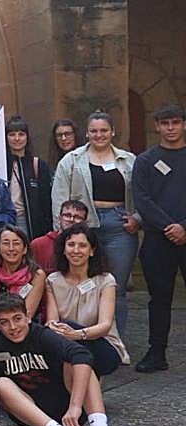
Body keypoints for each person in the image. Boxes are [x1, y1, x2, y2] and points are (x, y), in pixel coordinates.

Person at [51, 111, 140, 336]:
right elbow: (59, 197)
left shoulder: (129, 160)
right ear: (87, 133)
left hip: (120, 226)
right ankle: (83, 335)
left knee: (115, 287)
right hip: (83, 227)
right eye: (94, 131)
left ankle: (115, 342)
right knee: (83, 285)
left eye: (103, 130)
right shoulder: (71, 160)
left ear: (112, 132)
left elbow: (143, 193)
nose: (99, 135)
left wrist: (137, 219)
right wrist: (64, 231)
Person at [0, 293, 109, 426]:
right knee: (0, 383)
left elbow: (82, 355)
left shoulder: (43, 335)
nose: (13, 327)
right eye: (4, 322)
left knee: (80, 365)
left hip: (69, 411)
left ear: (28, 316)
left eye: (17, 319)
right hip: (32, 415)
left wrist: (75, 406)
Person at [132, 102, 186, 373]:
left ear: (184, 124)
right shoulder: (145, 160)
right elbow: (142, 199)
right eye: (165, 123)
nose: (170, 128)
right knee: (159, 298)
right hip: (158, 240)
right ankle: (157, 353)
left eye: (175, 122)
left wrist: (184, 227)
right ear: (157, 126)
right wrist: (171, 227)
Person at [45, 224, 129, 377]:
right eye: (71, 245)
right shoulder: (52, 280)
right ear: (63, 249)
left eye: (82, 245)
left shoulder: (105, 280)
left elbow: (105, 325)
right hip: (67, 344)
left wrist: (76, 334)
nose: (76, 250)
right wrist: (61, 331)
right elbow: (52, 321)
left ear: (92, 251)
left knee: (67, 334)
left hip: (102, 345)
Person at [0, 225, 46, 339]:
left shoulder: (36, 275)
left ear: (24, 249)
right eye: (5, 243)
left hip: (25, 332)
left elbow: (27, 314)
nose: (11, 248)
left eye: (16, 243)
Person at [4, 116, 53, 240]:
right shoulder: (0, 163)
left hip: (28, 221)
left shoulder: (37, 164)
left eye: (21, 134)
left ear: (27, 137)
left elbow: (46, 202)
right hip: (4, 220)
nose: (17, 138)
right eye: (12, 134)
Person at [31, 199, 89, 275]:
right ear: (59, 218)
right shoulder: (39, 244)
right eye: (67, 215)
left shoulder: (89, 244)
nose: (71, 220)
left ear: (85, 222)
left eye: (77, 217)